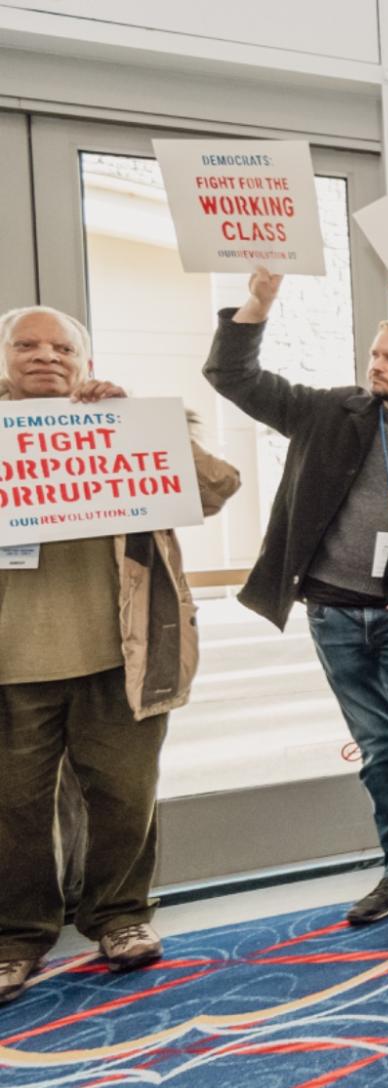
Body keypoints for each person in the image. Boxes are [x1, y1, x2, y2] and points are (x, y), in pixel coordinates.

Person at [204, 268, 388, 938]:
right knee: (377, 750)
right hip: (331, 611)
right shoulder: (332, 411)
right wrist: (260, 302)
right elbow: (233, 376)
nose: (377, 365)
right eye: (374, 356)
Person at [1, 305, 241, 1003]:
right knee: (12, 807)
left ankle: (119, 916)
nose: (44, 356)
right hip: (13, 662)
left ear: (84, 362)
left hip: (122, 655)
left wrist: (145, 423)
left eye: (60, 347)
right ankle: (16, 935)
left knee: (125, 798)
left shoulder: (122, 425)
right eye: (27, 345)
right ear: (6, 358)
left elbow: (218, 487)